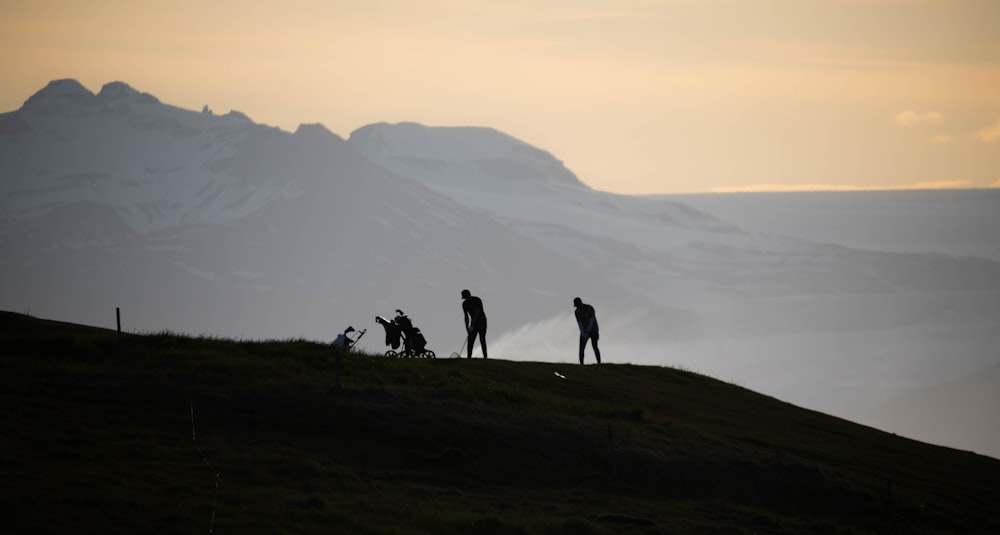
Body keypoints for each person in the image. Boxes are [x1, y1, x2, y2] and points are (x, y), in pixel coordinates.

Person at [461, 289, 487, 358]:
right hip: (474, 323)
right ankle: (469, 357)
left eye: (466, 297)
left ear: (469, 295)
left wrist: (472, 325)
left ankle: (485, 357)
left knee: (482, 339)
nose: (465, 299)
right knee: (470, 340)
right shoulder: (464, 304)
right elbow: (466, 316)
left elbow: (477, 313)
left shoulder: (477, 300)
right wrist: (467, 328)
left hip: (482, 322)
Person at [573, 297, 601, 364]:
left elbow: (592, 320)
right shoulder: (576, 312)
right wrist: (583, 333)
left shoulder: (589, 308)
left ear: (580, 303)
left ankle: (599, 363)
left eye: (577, 305)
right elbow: (579, 323)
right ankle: (581, 364)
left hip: (594, 330)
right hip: (584, 332)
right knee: (581, 348)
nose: (577, 307)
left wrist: (588, 331)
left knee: (595, 346)